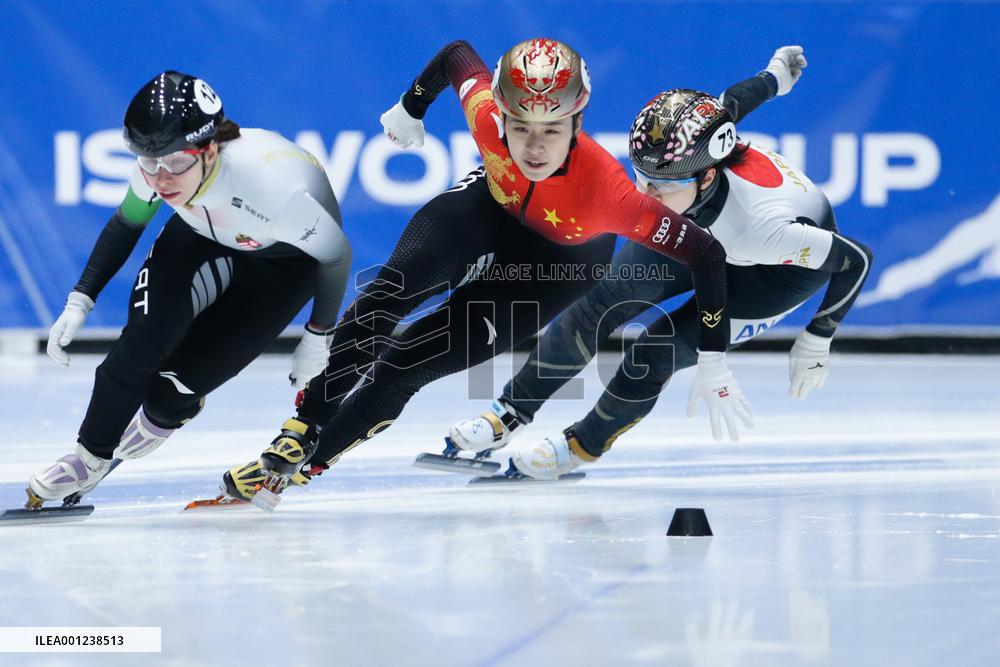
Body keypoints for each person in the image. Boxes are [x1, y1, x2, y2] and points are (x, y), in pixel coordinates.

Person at [220, 38, 794, 504]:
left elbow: (707, 254)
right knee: (388, 294)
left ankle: (302, 468)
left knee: (405, 364)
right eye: (520, 127)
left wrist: (714, 358)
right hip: (486, 211)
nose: (535, 146)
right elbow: (456, 55)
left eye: (553, 129)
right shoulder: (486, 113)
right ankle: (299, 432)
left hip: (558, 265)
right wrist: (410, 106)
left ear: (578, 119)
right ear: (502, 113)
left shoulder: (614, 196)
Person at [451, 85, 873, 479]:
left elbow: (855, 258)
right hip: (700, 232)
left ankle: (583, 445)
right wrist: (776, 76)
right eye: (642, 178)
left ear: (706, 177)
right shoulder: (696, 148)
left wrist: (818, 338)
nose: (648, 197)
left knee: (654, 352)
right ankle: (509, 412)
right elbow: (735, 99)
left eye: (664, 186)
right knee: (601, 300)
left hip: (770, 275)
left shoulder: (762, 228)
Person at [25, 71, 352, 508]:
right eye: (148, 162)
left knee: (167, 396)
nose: (161, 179)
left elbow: (335, 255)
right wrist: (81, 297)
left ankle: (171, 409)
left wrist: (317, 336)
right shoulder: (162, 162)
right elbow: (128, 222)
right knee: (137, 349)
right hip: (198, 236)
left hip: (283, 267)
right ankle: (88, 458)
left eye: (176, 163)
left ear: (210, 148)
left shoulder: (273, 191)